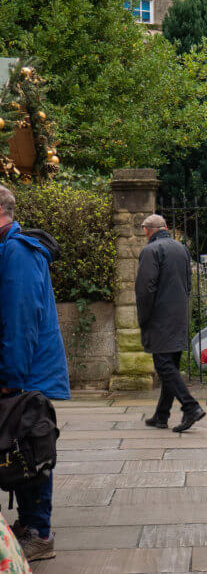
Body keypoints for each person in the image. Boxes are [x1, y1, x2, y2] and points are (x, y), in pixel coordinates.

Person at [0, 184, 69, 562]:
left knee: (31, 448)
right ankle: (30, 524)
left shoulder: (17, 252)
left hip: (23, 372)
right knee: (19, 446)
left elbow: (20, 319)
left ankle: (39, 532)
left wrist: (11, 375)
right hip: (22, 369)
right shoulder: (11, 247)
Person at [136, 214, 205, 433]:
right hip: (179, 315)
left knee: (164, 365)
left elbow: (145, 289)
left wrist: (144, 317)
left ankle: (190, 406)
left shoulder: (150, 251)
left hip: (160, 317)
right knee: (171, 366)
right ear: (165, 228)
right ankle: (161, 415)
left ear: (148, 231)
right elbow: (187, 284)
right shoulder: (181, 249)